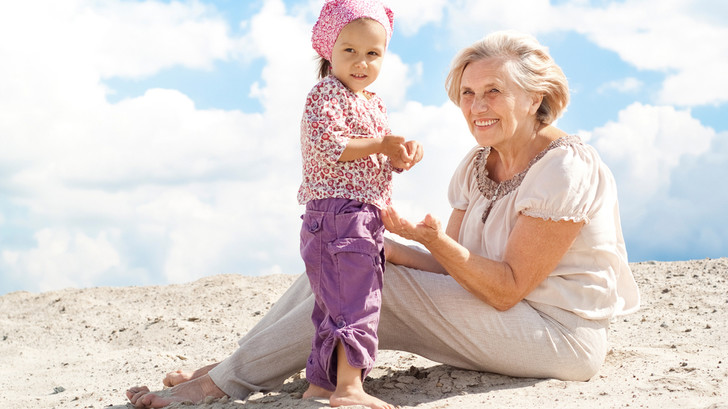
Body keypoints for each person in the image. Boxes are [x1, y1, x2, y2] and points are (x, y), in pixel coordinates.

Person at [126, 30, 640, 409]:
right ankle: (230, 367)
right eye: (467, 93)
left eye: (493, 92)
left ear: (537, 99)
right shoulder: (476, 165)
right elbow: (457, 271)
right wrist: (396, 245)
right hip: (497, 314)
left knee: (372, 283)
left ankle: (223, 383)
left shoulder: (566, 168)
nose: (476, 106)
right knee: (349, 256)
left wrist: (432, 244)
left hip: (558, 337)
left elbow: (505, 288)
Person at [298, 0, 420, 408]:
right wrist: (381, 143)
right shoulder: (326, 94)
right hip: (340, 213)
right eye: (349, 50)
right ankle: (349, 388)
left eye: (373, 53)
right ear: (328, 50)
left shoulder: (372, 102)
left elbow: (379, 157)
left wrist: (399, 153)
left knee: (335, 302)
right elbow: (329, 145)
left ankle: (321, 384)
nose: (361, 62)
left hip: (360, 213)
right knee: (356, 301)